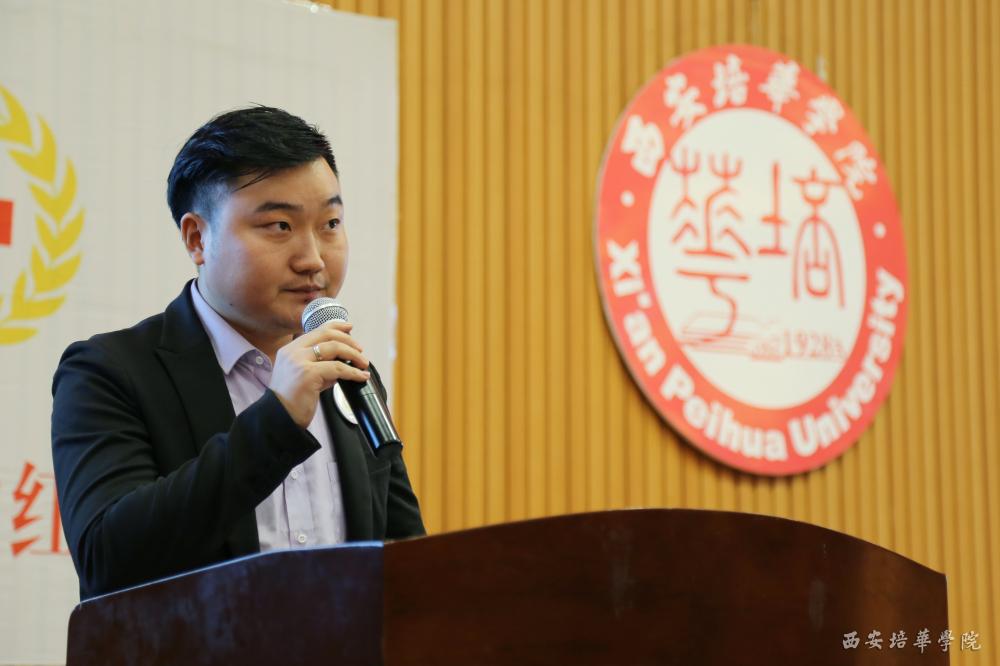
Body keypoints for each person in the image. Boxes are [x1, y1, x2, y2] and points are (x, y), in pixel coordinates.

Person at [51, 106, 424, 599]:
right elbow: (108, 560)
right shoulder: (109, 372)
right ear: (197, 238)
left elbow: (405, 553)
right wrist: (277, 420)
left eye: (330, 223)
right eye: (280, 226)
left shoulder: (348, 372)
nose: (313, 258)